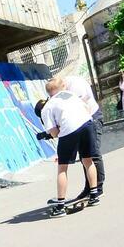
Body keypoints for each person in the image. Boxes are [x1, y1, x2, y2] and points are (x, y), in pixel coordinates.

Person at [34, 79, 101, 209]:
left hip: (70, 130)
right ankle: (94, 194)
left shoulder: (47, 107)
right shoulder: (71, 95)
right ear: (61, 87)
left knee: (62, 168)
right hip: (88, 123)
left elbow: (54, 133)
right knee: (88, 161)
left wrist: (55, 131)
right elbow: (86, 108)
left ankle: (60, 206)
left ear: (48, 93)